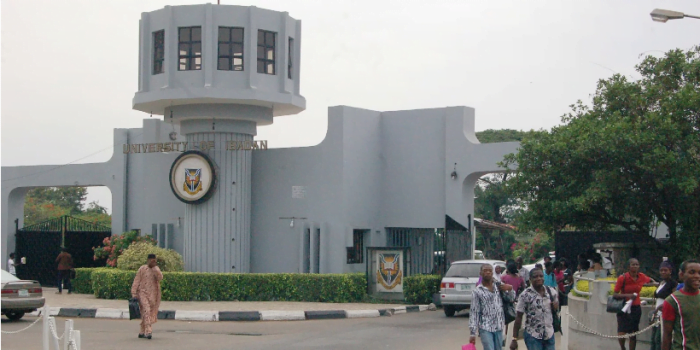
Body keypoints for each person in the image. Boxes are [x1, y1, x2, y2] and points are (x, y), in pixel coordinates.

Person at [613, 258, 657, 350]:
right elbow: (615, 294)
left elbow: (650, 280)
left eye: (637, 264)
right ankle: (622, 347)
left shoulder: (641, 276)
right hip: (624, 307)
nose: (635, 266)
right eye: (633, 264)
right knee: (622, 331)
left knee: (633, 332)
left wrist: (655, 283)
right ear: (629, 266)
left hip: (636, 307)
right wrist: (628, 295)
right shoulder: (623, 278)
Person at [469, 264, 515, 350]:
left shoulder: (498, 286)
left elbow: (511, 299)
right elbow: (474, 312)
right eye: (485, 271)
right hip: (485, 327)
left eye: (490, 271)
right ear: (481, 273)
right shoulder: (477, 291)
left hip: (499, 325)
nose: (488, 272)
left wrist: (510, 289)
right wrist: (472, 333)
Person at [510, 268, 559, 350]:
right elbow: (519, 317)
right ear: (530, 279)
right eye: (535, 277)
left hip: (549, 334)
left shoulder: (551, 291)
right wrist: (514, 338)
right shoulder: (525, 295)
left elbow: (556, 307)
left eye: (541, 276)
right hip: (533, 336)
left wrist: (555, 306)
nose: (539, 278)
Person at [661, 259, 700, 350]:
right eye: (692, 272)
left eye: (699, 273)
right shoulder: (672, 301)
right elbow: (667, 335)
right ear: (681, 275)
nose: (697, 276)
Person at [131, 254, 163, 339]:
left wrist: (155, 268)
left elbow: (160, 278)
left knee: (146, 313)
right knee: (146, 310)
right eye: (151, 260)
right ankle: (148, 330)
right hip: (142, 293)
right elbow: (136, 280)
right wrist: (134, 292)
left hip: (153, 294)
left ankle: (142, 331)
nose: (152, 262)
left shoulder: (156, 269)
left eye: (154, 261)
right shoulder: (142, 269)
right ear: (148, 260)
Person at [651, 260, 677, 350]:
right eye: (661, 270)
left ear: (670, 271)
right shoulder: (661, 283)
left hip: (664, 312)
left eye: (665, 270)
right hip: (656, 313)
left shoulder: (673, 283)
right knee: (653, 338)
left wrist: (662, 308)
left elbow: (673, 298)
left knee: (659, 338)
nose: (663, 272)